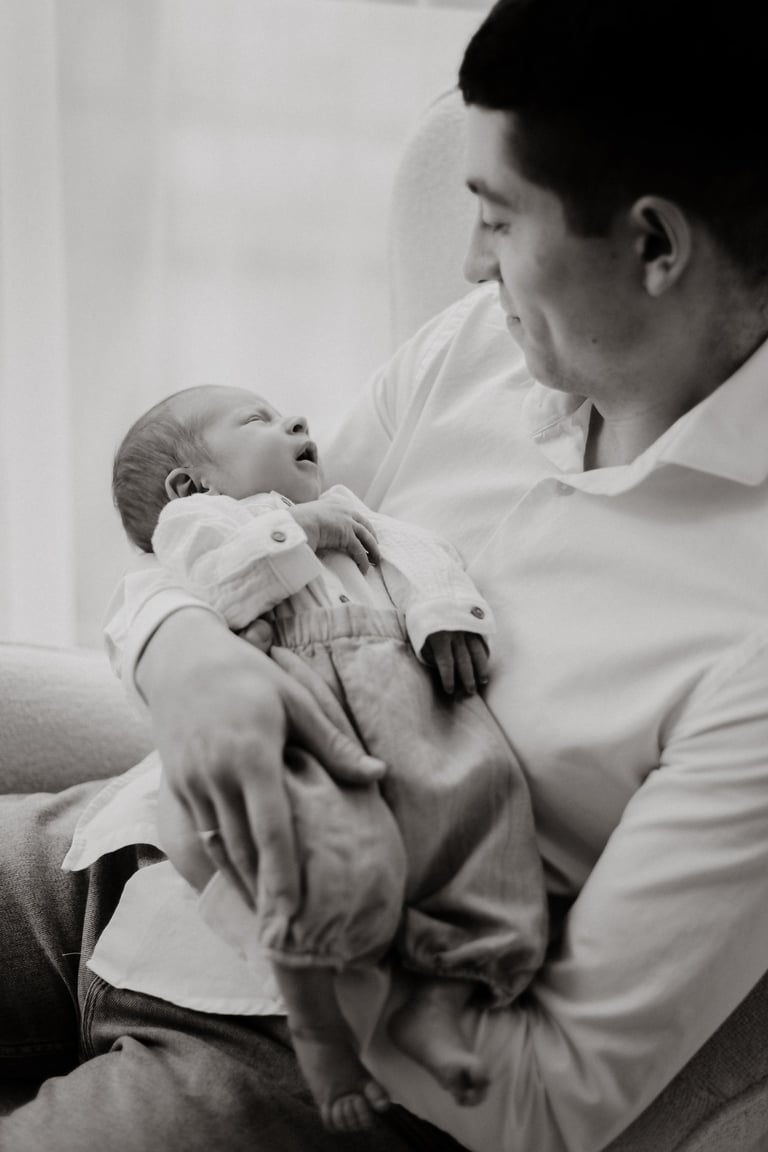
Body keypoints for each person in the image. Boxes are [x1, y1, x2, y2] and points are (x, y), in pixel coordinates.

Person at [3, 0, 768, 1149]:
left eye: (496, 219)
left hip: (287, 1045)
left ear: (655, 246)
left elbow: (549, 1094)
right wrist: (183, 658)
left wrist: (265, 902)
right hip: (105, 848)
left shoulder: (750, 628)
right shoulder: (481, 347)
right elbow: (216, 531)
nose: (467, 262)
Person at [76, 381, 545, 1132]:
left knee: (481, 804)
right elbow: (214, 588)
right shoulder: (201, 524)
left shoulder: (348, 509)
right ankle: (316, 1018)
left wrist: (442, 611)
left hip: (403, 688)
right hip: (299, 692)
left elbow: (418, 554)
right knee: (325, 848)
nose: (294, 418)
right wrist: (294, 527)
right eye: (257, 419)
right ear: (188, 485)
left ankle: (441, 994)